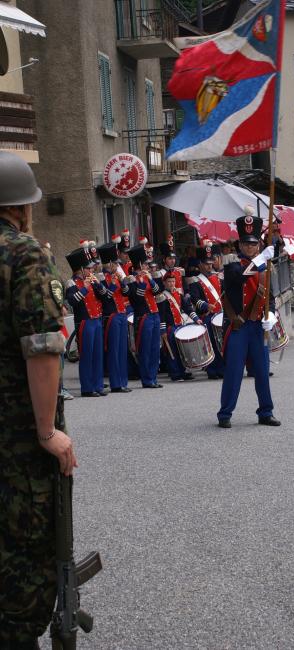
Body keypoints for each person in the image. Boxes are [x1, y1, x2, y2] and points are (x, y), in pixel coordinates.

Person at [0, 151, 77, 650]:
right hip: (15, 442)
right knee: (23, 562)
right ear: (22, 208)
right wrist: (48, 431)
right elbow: (43, 348)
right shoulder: (24, 255)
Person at [217, 212, 281, 428]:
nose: (249, 247)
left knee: (262, 371)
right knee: (234, 371)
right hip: (239, 325)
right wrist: (261, 259)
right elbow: (238, 277)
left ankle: (266, 412)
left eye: (253, 244)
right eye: (245, 243)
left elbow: (269, 298)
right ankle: (225, 413)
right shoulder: (231, 263)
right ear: (239, 245)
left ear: (258, 244)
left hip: (257, 326)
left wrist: (271, 314)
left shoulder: (265, 268)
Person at [65, 246, 107, 397]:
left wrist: (98, 285)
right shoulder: (71, 283)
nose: (91, 271)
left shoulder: (92, 280)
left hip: (96, 320)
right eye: (88, 269)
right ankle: (87, 388)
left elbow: (105, 296)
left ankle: (98, 385)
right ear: (81, 269)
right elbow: (72, 302)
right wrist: (84, 288)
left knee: (97, 355)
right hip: (84, 322)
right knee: (87, 355)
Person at [121, 243, 163, 388]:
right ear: (139, 264)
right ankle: (146, 379)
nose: (147, 266)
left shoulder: (147, 276)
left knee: (155, 348)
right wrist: (142, 282)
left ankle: (153, 377)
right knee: (145, 349)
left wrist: (150, 279)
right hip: (143, 316)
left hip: (154, 314)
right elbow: (137, 298)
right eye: (145, 264)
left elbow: (157, 291)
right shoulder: (131, 279)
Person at [97, 242, 131, 393]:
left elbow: (126, 293)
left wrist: (122, 282)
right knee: (114, 350)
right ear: (109, 264)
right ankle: (116, 383)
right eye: (115, 264)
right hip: (111, 316)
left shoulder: (116, 276)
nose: (117, 266)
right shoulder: (101, 278)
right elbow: (106, 297)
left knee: (123, 349)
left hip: (121, 313)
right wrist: (112, 283)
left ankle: (123, 381)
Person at [188, 244, 224, 379]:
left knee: (223, 343)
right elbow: (194, 299)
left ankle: (223, 368)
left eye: (210, 263)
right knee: (212, 343)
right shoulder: (195, 280)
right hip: (207, 316)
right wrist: (205, 305)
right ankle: (213, 370)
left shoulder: (219, 277)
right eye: (206, 264)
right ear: (200, 264)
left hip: (220, 314)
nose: (209, 266)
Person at [158, 272, 201, 381]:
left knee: (181, 350)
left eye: (173, 281)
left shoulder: (178, 294)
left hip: (180, 326)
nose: (171, 284)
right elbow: (161, 316)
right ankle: (175, 373)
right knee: (172, 351)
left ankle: (183, 371)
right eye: (169, 282)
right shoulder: (162, 297)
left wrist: (196, 319)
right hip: (170, 328)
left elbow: (187, 308)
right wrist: (163, 331)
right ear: (164, 283)